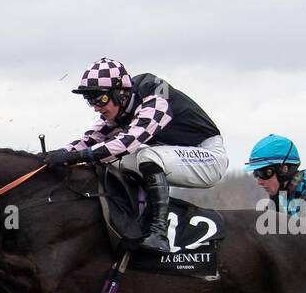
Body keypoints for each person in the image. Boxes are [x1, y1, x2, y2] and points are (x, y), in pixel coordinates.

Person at [44, 58, 229, 251]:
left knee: (145, 156)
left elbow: (127, 142)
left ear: (120, 92)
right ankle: (133, 218)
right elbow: (91, 139)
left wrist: (75, 157)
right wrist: (56, 154)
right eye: (90, 100)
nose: (96, 107)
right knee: (116, 163)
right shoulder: (122, 107)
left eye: (100, 99)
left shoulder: (156, 96)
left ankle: (159, 234)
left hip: (209, 157)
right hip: (179, 155)